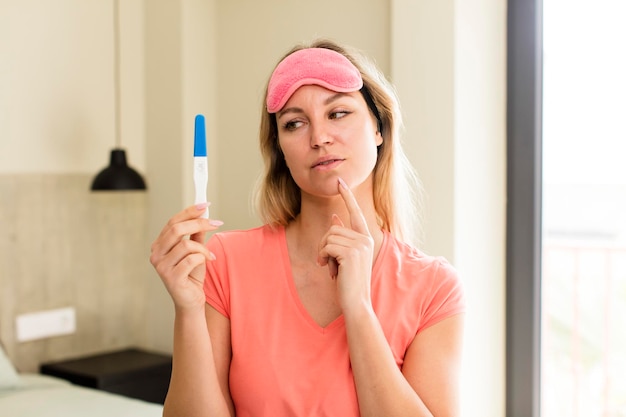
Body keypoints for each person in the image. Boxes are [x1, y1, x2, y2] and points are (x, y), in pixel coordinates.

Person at [150, 39, 465, 417]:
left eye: (338, 113)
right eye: (295, 123)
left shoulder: (434, 289)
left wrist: (359, 308)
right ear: (280, 149)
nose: (319, 138)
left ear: (379, 128)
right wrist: (187, 312)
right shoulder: (225, 263)